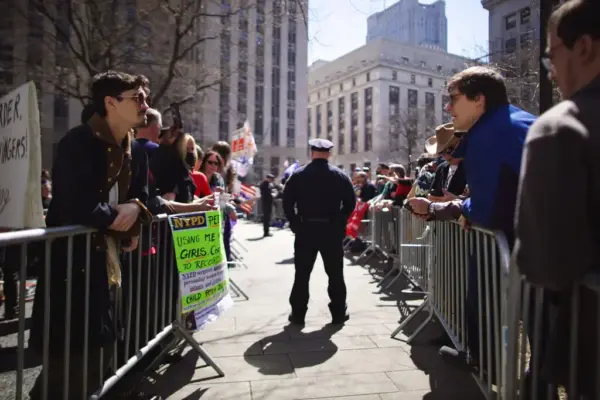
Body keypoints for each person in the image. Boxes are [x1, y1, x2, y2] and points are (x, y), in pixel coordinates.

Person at [29, 71, 153, 399]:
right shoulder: (77, 142)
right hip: (72, 264)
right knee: (68, 354)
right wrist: (122, 216)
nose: (145, 104)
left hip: (108, 262)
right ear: (110, 103)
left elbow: (141, 196)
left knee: (102, 350)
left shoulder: (136, 149)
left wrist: (136, 212)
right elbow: (77, 204)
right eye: (137, 98)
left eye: (144, 97)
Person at [514, 1, 600, 397]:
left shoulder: (561, 127)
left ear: (583, 47)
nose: (551, 68)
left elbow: (544, 262)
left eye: (552, 54)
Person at [283, 138, 356, 325]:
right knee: (335, 274)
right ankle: (338, 313)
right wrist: (340, 221)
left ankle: (298, 314)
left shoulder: (298, 175)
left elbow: (287, 202)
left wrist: (295, 223)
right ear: (329, 154)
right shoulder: (340, 175)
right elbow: (350, 203)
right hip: (331, 230)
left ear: (312, 152)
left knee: (302, 274)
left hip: (306, 229)